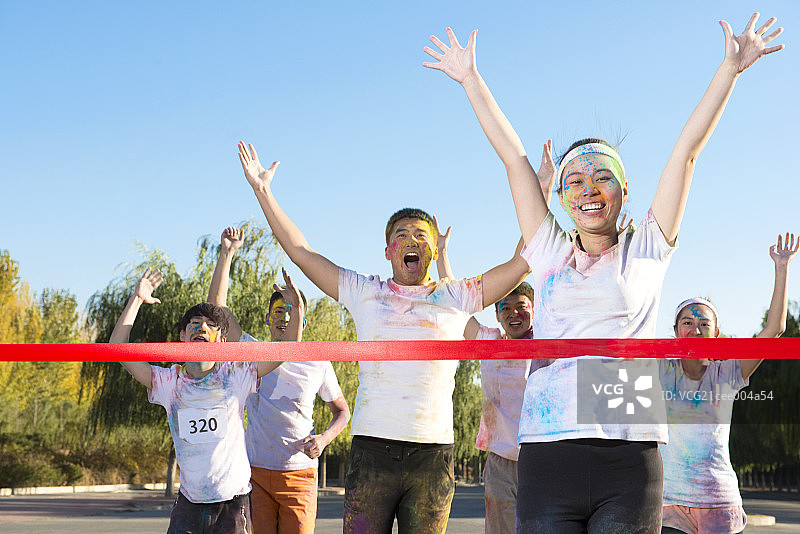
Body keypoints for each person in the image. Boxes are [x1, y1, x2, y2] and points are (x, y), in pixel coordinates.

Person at [424, 13, 784, 532]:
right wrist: (471, 80)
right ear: (562, 199)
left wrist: (730, 70)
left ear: (624, 191)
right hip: (548, 452)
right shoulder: (547, 252)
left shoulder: (647, 250)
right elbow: (513, 158)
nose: (588, 188)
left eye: (602, 177)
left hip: (629, 457)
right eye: (573, 180)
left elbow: (685, 155)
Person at [237, 141, 530, 533]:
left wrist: (538, 192)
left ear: (432, 250)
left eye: (421, 235)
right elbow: (301, 251)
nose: (412, 240)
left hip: (433, 454)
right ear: (388, 251)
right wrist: (263, 191)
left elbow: (521, 263)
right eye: (402, 234)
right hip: (372, 450)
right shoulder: (365, 292)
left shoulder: (456, 294)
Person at [111, 267, 299, 534]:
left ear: (222, 341)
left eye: (211, 326)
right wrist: (137, 298)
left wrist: (296, 306)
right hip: (189, 505)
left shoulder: (237, 375)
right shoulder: (169, 383)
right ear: (182, 337)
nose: (202, 327)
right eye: (195, 324)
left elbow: (288, 349)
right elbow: (118, 347)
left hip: (233, 505)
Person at [433, 145, 555, 534]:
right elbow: (455, 306)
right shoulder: (489, 342)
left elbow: (534, 253)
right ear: (496, 314)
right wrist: (441, 254)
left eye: (521, 306)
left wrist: (544, 190)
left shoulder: (549, 341)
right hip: (501, 460)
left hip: (544, 457)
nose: (514, 313)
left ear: (534, 309)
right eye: (506, 308)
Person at [207, 226, 350, 534]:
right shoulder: (251, 351)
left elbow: (342, 411)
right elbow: (216, 314)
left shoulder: (318, 361)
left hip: (299, 475)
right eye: (277, 313)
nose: (283, 318)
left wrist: (324, 439)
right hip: (255, 473)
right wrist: (227, 253)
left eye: (292, 312)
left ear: (303, 321)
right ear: (267, 319)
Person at [659, 233, 797, 534]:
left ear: (716, 334)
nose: (695, 330)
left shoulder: (728, 373)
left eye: (704, 324)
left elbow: (774, 331)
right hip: (670, 506)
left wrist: (782, 267)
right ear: (674, 331)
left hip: (719, 503)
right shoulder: (661, 370)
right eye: (687, 323)